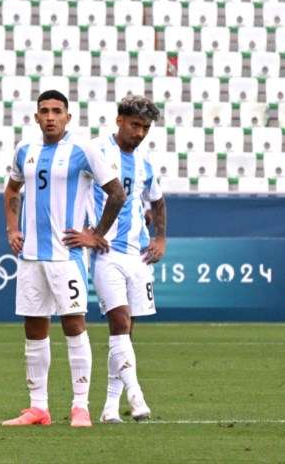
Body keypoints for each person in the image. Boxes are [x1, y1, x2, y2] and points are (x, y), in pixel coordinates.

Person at [0, 90, 126, 428]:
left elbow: (117, 192)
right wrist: (12, 229)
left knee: (73, 324)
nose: (51, 117)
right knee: (34, 327)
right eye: (45, 111)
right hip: (29, 257)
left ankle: (80, 406)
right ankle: (38, 408)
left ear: (68, 117)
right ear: (36, 117)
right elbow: (12, 190)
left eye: (58, 111)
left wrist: (95, 234)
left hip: (65, 257)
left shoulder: (84, 150)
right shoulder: (24, 150)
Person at [88, 93, 165, 423]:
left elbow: (157, 202)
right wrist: (91, 232)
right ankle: (137, 397)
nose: (140, 132)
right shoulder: (96, 152)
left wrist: (160, 237)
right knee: (119, 322)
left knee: (125, 333)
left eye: (145, 127)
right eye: (135, 125)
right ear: (119, 120)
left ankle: (108, 408)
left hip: (139, 255)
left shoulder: (145, 164)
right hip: (107, 252)